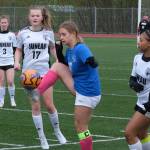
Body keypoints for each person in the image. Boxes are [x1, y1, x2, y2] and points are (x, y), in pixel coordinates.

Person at [32, 21, 101, 150]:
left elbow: (88, 58)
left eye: (64, 34)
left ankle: (37, 91)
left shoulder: (80, 48)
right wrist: (59, 52)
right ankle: (37, 91)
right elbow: (64, 64)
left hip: (87, 93)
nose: (61, 37)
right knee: (57, 66)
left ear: (73, 34)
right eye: (60, 35)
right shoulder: (70, 50)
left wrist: (91, 61)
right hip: (80, 88)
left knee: (81, 127)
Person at [14, 6, 67, 149]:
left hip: (45, 73)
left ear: (42, 17)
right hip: (29, 75)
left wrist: (57, 59)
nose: (35, 18)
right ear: (29, 17)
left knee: (49, 105)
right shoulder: (23, 33)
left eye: (38, 15)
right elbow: (18, 49)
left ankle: (57, 131)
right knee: (36, 106)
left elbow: (52, 48)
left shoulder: (48, 32)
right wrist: (16, 62)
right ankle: (42, 138)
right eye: (33, 16)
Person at [125, 29, 150, 150]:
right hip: (141, 102)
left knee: (129, 133)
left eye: (141, 40)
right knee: (141, 133)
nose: (138, 43)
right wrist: (134, 84)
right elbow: (132, 78)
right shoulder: (137, 58)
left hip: (148, 105)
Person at [0, 15, 17, 108]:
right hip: (0, 62)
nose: (3, 24)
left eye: (5, 22)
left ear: (8, 23)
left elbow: (15, 48)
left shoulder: (12, 35)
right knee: (1, 81)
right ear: (0, 24)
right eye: (2, 22)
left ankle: (12, 99)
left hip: (10, 61)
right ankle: (1, 100)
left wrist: (15, 59)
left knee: (10, 81)